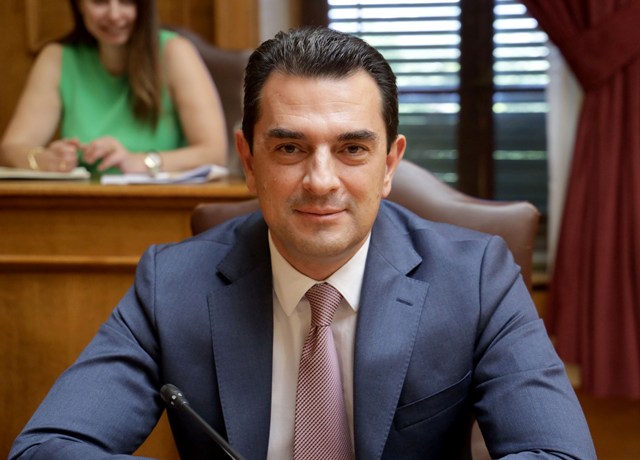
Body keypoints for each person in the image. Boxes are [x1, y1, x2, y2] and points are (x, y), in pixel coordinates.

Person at [9, 26, 596, 459]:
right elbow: (48, 448)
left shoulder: (476, 278)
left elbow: (558, 453)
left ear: (389, 164)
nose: (320, 180)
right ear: (248, 161)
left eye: (352, 149)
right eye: (290, 148)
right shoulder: (172, 284)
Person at [0, 0, 227, 176]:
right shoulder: (58, 58)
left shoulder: (174, 52)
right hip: (81, 207)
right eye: (100, 2)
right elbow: (10, 148)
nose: (114, 14)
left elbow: (215, 153)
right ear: (80, 5)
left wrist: (139, 162)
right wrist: (42, 160)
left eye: (126, 1)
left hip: (162, 205)